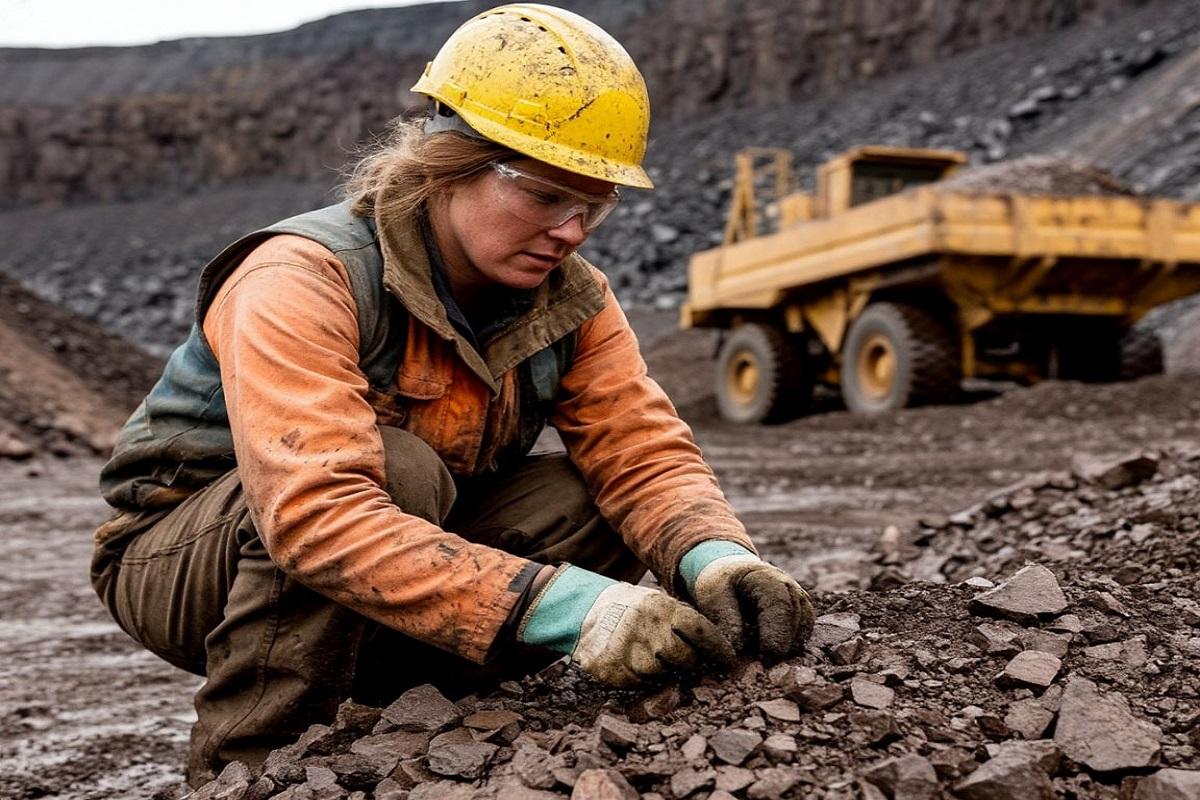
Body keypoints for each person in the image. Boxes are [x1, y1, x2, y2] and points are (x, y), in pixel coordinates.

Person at [89, 2, 814, 786]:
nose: (572, 230)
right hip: (189, 563)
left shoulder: (573, 298)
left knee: (592, 496)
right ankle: (255, 768)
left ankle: (420, 710)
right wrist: (568, 607)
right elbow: (313, 512)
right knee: (397, 471)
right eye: (544, 196)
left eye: (593, 205)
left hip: (390, 563)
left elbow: (637, 446)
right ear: (448, 164)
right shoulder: (301, 275)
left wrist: (713, 559)